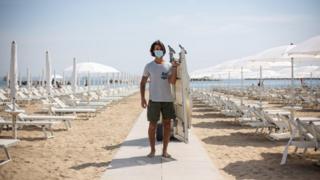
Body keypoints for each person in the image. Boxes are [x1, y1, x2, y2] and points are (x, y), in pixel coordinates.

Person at [140, 40, 178, 159]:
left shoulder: (168, 65)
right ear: (152, 51)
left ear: (163, 51)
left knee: (167, 125)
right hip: (154, 100)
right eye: (156, 49)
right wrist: (142, 98)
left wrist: (175, 68)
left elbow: (171, 81)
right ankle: (152, 150)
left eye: (160, 48)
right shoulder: (149, 66)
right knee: (152, 125)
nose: (158, 51)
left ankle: (165, 151)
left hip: (167, 100)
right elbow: (142, 83)